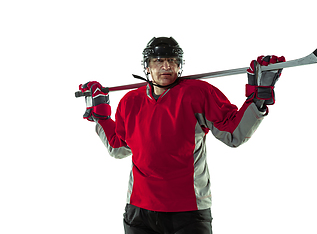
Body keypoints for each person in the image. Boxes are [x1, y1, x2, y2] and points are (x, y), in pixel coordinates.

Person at [79, 37, 285, 234]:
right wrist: (101, 116)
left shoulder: (198, 93)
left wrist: (257, 100)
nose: (166, 66)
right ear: (148, 67)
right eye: (158, 61)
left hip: (188, 212)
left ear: (180, 65)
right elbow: (118, 147)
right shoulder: (130, 102)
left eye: (172, 61)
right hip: (139, 212)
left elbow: (233, 134)